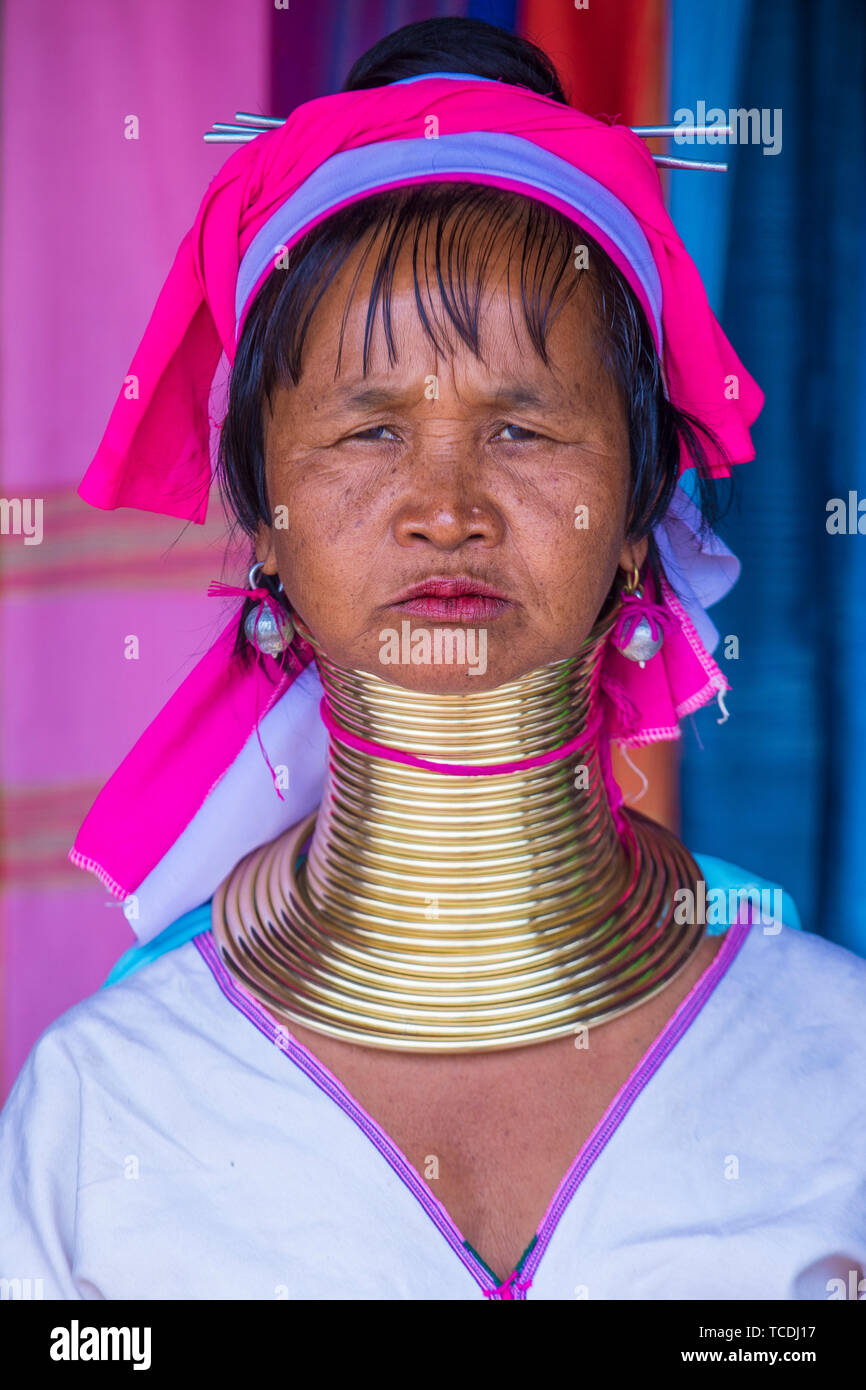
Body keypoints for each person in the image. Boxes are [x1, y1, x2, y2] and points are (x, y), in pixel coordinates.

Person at [1, 17, 864, 1302]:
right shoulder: (104, 1110)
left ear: (640, 517)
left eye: (521, 427)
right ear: (263, 523)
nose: (443, 506)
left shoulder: (834, 1065)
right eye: (364, 432)